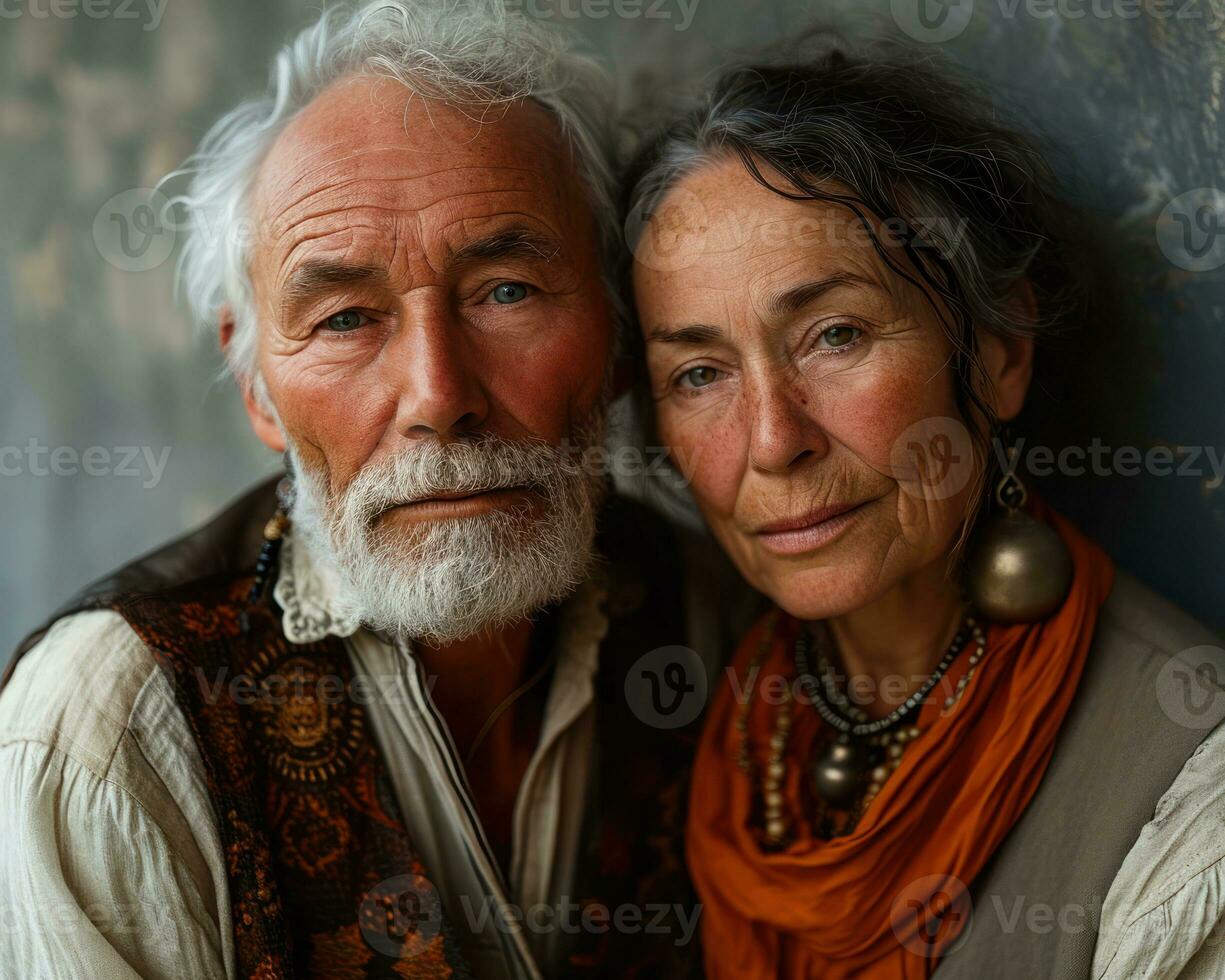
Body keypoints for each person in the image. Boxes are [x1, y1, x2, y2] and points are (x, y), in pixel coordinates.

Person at [0, 3, 702, 978]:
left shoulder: (711, 609)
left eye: (507, 290)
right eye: (343, 317)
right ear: (255, 387)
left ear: (620, 332)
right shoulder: (113, 734)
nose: (439, 396)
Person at [625, 46, 1225, 979]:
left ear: (998, 352)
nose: (774, 441)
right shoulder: (716, 713)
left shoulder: (1188, 811)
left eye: (835, 336)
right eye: (699, 373)